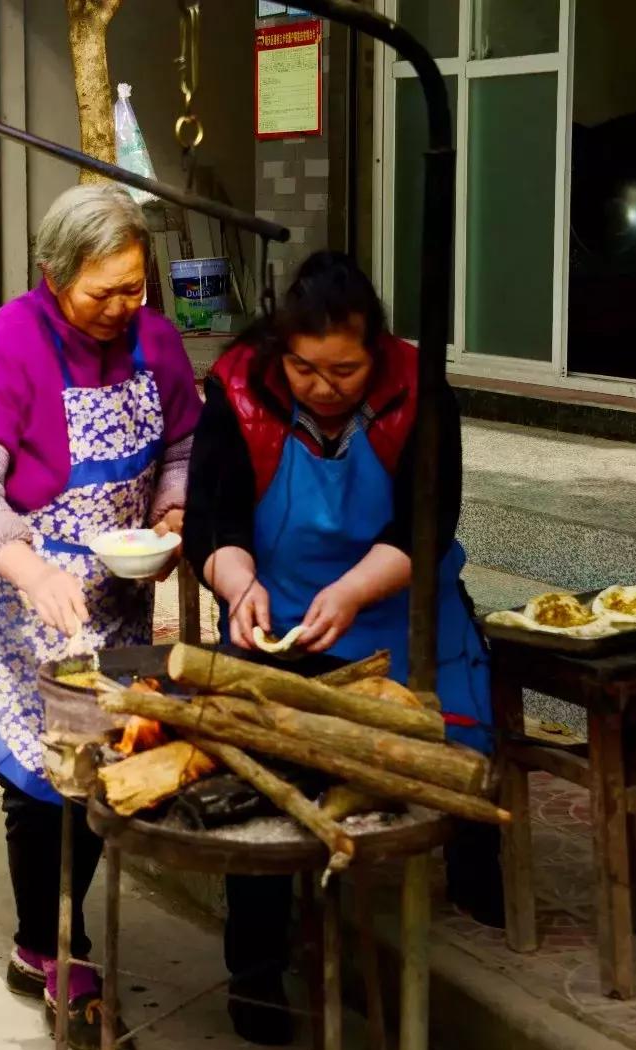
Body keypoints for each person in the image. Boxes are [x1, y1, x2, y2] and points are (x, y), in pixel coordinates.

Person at [0, 184, 288, 1050]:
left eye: (136, 286)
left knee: (102, 761)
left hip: (115, 586)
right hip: (15, 592)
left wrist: (171, 511)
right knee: (43, 777)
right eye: (104, 292)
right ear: (52, 274)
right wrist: (28, 567)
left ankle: (53, 936)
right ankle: (52, 952)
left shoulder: (154, 340)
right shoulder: (1, 349)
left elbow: (183, 443)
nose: (124, 306)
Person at [183, 251, 505, 947]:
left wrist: (354, 590)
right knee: (259, 773)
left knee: (460, 751)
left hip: (403, 608)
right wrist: (238, 586)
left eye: (345, 371)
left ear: (376, 352)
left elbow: (427, 522)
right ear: (280, 350)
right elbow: (211, 522)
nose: (323, 387)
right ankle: (258, 966)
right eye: (304, 369)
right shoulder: (239, 388)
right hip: (279, 614)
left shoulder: (419, 387)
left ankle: (476, 886)